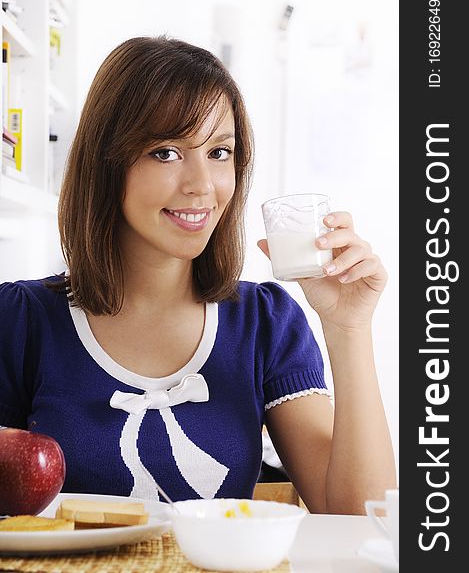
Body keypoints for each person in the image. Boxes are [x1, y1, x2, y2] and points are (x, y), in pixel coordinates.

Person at [0, 36, 396, 514]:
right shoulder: (21, 321)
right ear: (107, 162)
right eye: (166, 152)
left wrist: (348, 328)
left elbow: (357, 519)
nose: (202, 185)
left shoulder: (265, 324)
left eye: (220, 152)